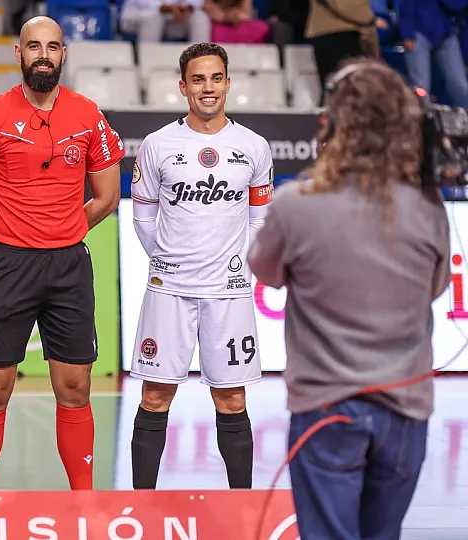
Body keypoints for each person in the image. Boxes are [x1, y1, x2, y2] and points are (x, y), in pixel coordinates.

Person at [248, 59, 450, 539]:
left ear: (332, 124)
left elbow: (264, 271)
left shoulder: (296, 203)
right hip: (405, 412)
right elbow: (437, 286)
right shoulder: (426, 204)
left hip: (326, 408)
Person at [0, 16, 123, 490]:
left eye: (53, 47)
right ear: (17, 53)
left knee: (75, 388)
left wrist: (62, 231)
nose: (44, 54)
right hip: (8, 266)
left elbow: (105, 196)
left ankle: (83, 503)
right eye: (34, 46)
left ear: (64, 54)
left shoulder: (89, 115)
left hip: (68, 267)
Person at [128, 42, 273, 490]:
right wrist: (169, 260)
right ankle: (143, 506)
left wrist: (234, 266)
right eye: (197, 79)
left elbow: (260, 218)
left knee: (231, 399)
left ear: (228, 83)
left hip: (227, 293)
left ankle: (242, 506)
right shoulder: (157, 145)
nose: (207, 88)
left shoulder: (253, 146)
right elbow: (143, 216)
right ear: (183, 86)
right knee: (155, 396)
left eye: (215, 78)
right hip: (168, 291)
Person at [398, 0, 468, 108]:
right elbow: (406, 4)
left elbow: (458, 5)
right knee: (421, 86)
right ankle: (420, 119)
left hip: (446, 32)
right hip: (418, 33)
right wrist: (407, 33)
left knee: (459, 84)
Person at [305, 0, 378, 101]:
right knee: (347, 91)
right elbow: (345, 5)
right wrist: (369, 18)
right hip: (341, 32)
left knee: (337, 91)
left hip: (332, 32)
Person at [120, 0, 212, 43]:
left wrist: (187, 8)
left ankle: (200, 66)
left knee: (200, 17)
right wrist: (166, 8)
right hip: (138, 15)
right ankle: (147, 69)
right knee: (154, 17)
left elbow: (197, 2)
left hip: (171, 19)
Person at [204, 0, 271, 43]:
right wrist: (226, 17)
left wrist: (235, 15)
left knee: (261, 27)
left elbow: (246, 14)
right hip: (219, 24)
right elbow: (208, 9)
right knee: (215, 31)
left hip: (239, 23)